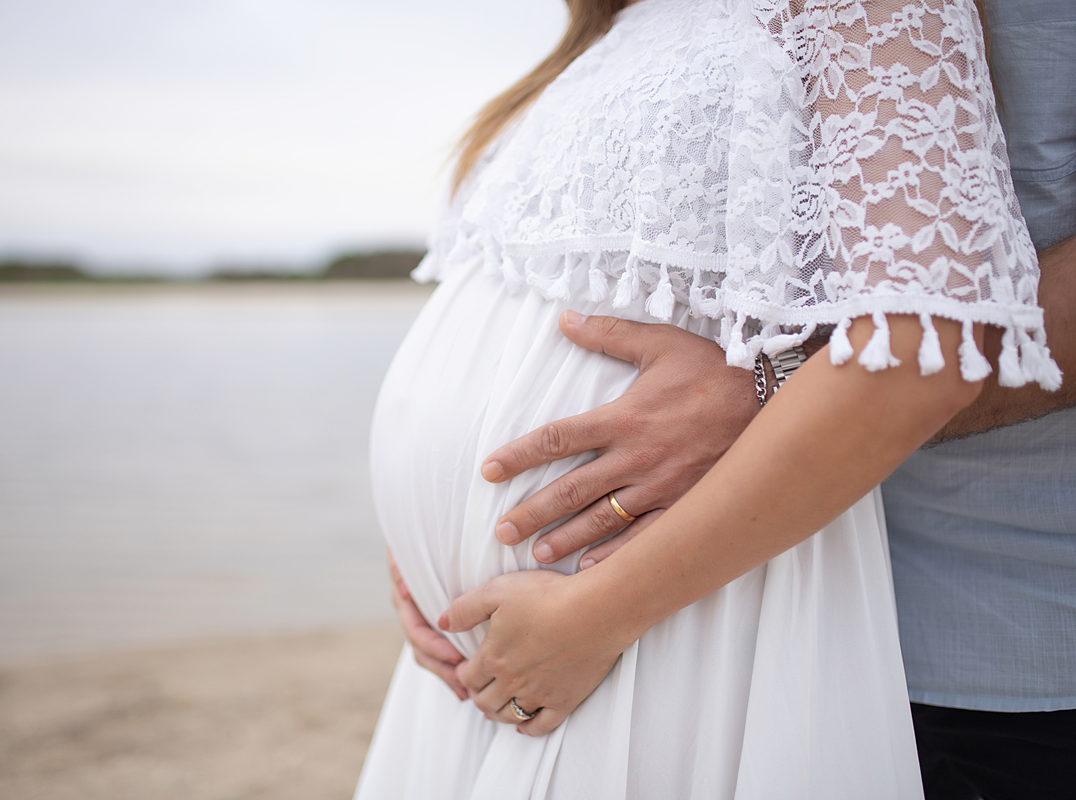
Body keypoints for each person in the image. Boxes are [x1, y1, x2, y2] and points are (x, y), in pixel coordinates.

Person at [357, 0, 1061, 797]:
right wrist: (424, 550)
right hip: (488, 646)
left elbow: (919, 347)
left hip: (655, 611)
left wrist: (600, 614)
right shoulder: (607, 35)